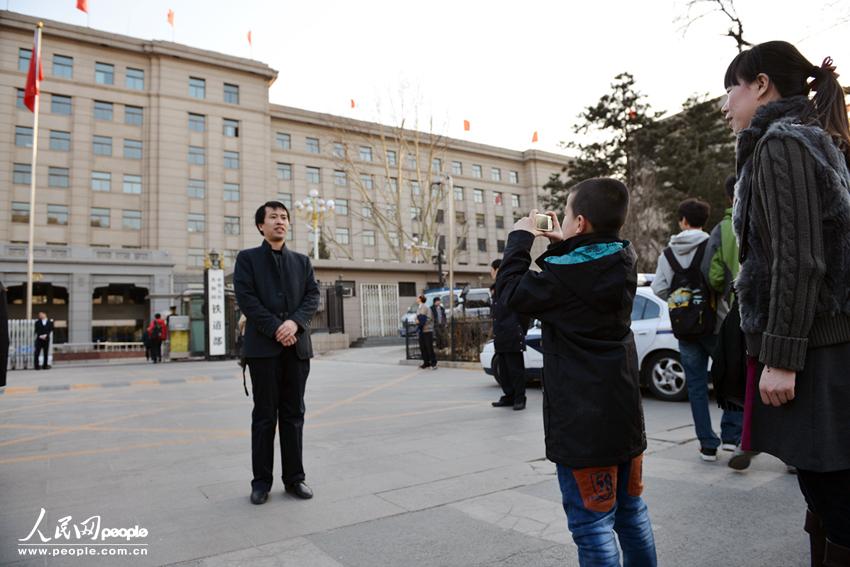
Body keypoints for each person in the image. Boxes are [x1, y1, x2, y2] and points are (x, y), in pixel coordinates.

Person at [722, 41, 850, 563]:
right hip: (818, 343)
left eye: (730, 89)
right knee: (824, 489)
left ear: (761, 85)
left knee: (834, 492)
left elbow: (798, 260)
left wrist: (781, 358)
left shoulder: (783, 144)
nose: (726, 104)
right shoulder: (812, 140)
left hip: (815, 349)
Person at [497, 178, 656, 567]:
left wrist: (520, 239)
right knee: (632, 514)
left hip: (582, 426)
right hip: (623, 419)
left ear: (580, 222)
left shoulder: (561, 280)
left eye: (567, 216)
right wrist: (560, 243)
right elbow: (583, 268)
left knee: (592, 525)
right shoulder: (623, 259)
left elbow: (510, 293)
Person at [234, 201, 320, 505]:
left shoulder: (302, 261)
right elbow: (247, 299)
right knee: (264, 416)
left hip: (297, 350)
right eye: (273, 218)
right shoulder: (247, 259)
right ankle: (261, 482)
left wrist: (294, 324)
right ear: (261, 225)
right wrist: (276, 328)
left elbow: (312, 296)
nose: (280, 222)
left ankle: (295, 478)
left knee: (294, 414)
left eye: (284, 217)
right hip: (263, 351)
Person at [651, 198, 742, 462]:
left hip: (685, 329)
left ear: (682, 220)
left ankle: (707, 445)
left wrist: (681, 298)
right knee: (729, 377)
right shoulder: (712, 242)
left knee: (696, 386)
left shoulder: (667, 253)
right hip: (716, 324)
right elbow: (720, 279)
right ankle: (730, 436)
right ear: (704, 220)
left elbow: (658, 288)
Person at [490, 258, 529, 411]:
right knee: (504, 369)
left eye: (492, 270)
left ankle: (520, 398)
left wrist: (520, 330)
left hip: (512, 332)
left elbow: (523, 312)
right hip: (500, 334)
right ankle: (509, 396)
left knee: (515, 369)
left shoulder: (511, 285)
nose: (491, 273)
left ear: (497, 270)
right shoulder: (495, 288)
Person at [416, 295, 437, 369]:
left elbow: (429, 318)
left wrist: (422, 322)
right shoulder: (418, 308)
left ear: (421, 299)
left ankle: (433, 363)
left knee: (429, 347)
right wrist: (417, 321)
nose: (416, 299)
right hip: (421, 330)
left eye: (418, 298)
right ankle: (426, 362)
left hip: (427, 330)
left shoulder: (426, 307)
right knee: (423, 347)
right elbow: (417, 317)